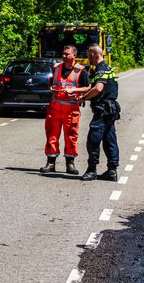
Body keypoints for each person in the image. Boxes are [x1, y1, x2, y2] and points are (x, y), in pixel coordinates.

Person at [73, 45, 120, 181]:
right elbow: (93, 87)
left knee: (93, 140)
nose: (88, 58)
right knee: (109, 140)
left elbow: (98, 88)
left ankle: (92, 170)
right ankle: (112, 171)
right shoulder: (106, 68)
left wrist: (84, 97)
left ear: (93, 54)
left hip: (103, 110)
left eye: (88, 55)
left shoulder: (101, 69)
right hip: (110, 110)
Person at [40, 45, 89, 175]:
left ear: (74, 55)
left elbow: (88, 87)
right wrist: (51, 88)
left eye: (67, 54)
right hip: (55, 108)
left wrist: (74, 90)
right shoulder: (56, 67)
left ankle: (70, 164)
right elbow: (50, 82)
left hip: (71, 109)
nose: (64, 56)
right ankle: (50, 163)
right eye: (63, 53)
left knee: (71, 136)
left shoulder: (81, 71)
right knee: (51, 135)